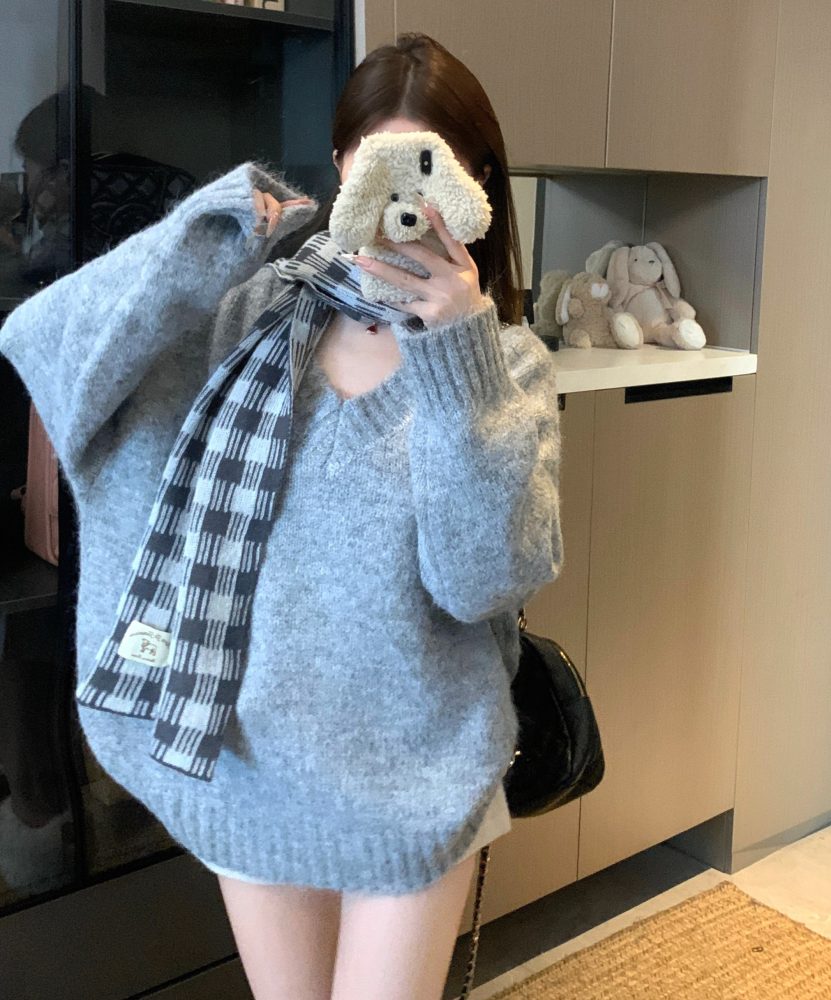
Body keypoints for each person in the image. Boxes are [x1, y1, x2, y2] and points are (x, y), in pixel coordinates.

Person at [0, 31, 562, 1000]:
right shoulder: (244, 315)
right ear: (342, 166)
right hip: (253, 770)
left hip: (417, 783)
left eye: (431, 164)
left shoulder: (505, 366)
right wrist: (211, 229)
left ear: (477, 182)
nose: (404, 196)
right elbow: (47, 345)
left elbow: (482, 581)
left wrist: (457, 350)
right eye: (379, 160)